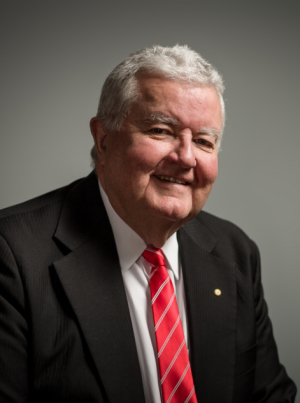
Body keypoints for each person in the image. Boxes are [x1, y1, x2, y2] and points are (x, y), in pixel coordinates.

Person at [0, 45, 296, 403]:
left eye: (204, 141)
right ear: (104, 138)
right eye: (160, 130)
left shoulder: (235, 252)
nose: (186, 157)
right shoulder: (13, 253)